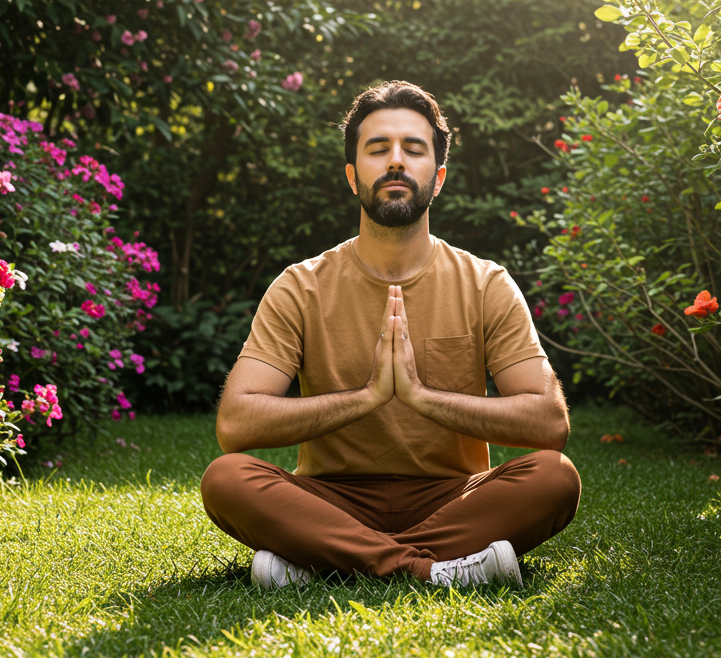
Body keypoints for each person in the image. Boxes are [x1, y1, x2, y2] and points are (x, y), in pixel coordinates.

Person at [201, 81, 580, 588]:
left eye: (413, 149)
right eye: (378, 149)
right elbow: (237, 423)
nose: (396, 162)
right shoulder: (301, 285)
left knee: (555, 476)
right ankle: (431, 570)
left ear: (438, 177)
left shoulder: (486, 283)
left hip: (452, 497)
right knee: (226, 479)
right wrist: (367, 398)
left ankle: (325, 560)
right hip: (331, 498)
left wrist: (421, 398)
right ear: (352, 175)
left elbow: (548, 421)